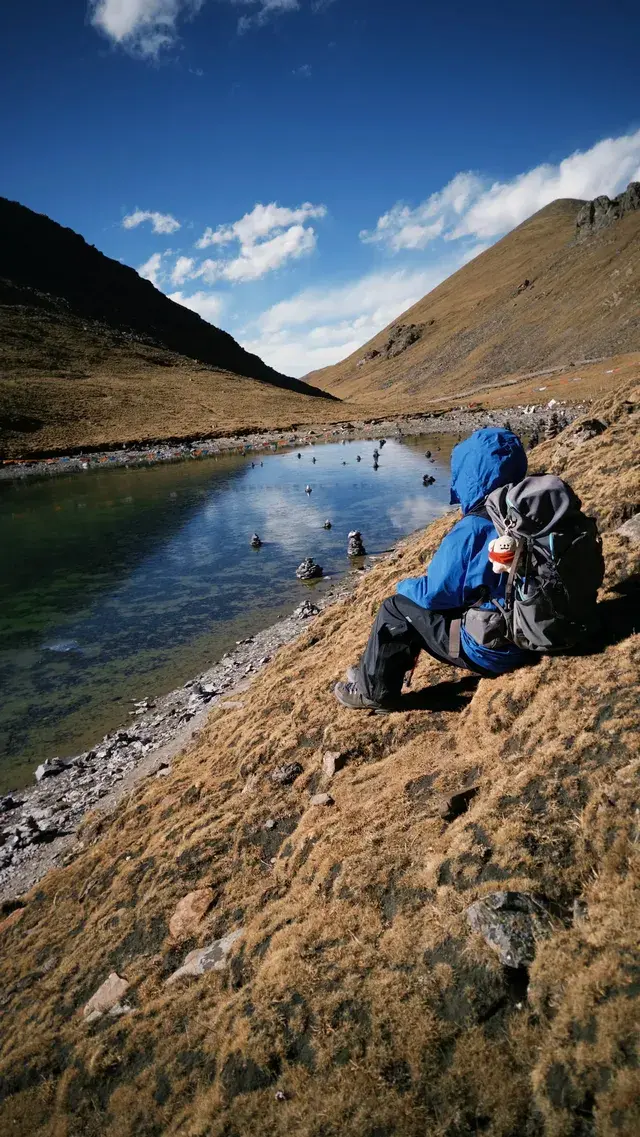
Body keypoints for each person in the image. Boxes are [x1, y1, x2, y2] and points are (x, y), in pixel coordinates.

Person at [334, 427, 533, 711]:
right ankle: (373, 672)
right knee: (421, 607)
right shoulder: (524, 514)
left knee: (397, 607)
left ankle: (374, 691)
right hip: (532, 631)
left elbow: (434, 594)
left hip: (498, 649)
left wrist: (402, 586)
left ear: (472, 475)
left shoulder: (475, 527)